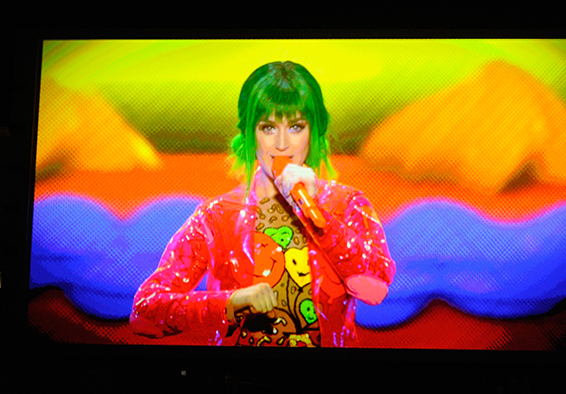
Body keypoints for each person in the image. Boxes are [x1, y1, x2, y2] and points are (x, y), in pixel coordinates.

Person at [130, 61, 396, 347]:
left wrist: (316, 212)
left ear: (314, 132)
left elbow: (374, 292)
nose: (282, 144)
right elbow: (145, 312)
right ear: (248, 134)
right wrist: (231, 303)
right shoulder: (218, 216)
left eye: (296, 127)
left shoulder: (347, 205)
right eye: (268, 127)